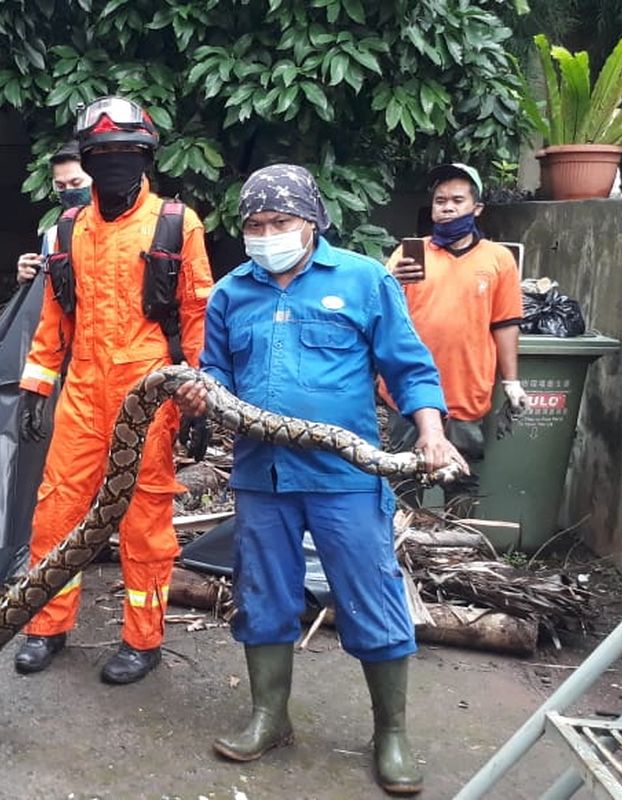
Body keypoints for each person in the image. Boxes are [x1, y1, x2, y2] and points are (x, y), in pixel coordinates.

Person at [174, 164, 467, 796]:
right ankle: (268, 716)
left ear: (312, 222)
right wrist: (202, 396)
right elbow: (216, 372)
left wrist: (431, 431)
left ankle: (390, 734)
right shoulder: (231, 293)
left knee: (370, 595)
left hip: (347, 474)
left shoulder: (363, 280)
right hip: (261, 474)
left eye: (280, 222)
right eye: (255, 224)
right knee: (263, 596)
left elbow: (409, 365)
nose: (266, 233)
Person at [15, 96, 214, 685]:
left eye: (127, 153)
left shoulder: (177, 223)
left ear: (147, 156)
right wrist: (36, 383)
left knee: (144, 519)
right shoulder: (69, 229)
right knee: (57, 510)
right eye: (103, 155)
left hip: (149, 387)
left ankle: (143, 639)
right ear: (89, 159)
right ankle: (45, 624)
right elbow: (56, 314)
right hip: (80, 388)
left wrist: (200, 395)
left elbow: (197, 313)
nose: (116, 165)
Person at [385, 163, 525, 516]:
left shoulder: (498, 260)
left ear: (476, 208)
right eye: (439, 201)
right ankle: (405, 549)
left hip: (467, 390)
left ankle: (455, 552)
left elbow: (505, 323)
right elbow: (380, 317)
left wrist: (511, 382)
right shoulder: (407, 256)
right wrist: (390, 279)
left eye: (457, 200)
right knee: (404, 476)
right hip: (406, 392)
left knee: (462, 478)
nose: (446, 208)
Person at [15, 141, 92, 284]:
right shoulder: (53, 236)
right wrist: (27, 278)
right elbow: (47, 290)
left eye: (76, 183)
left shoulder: (130, 228)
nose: (68, 191)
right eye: (61, 186)